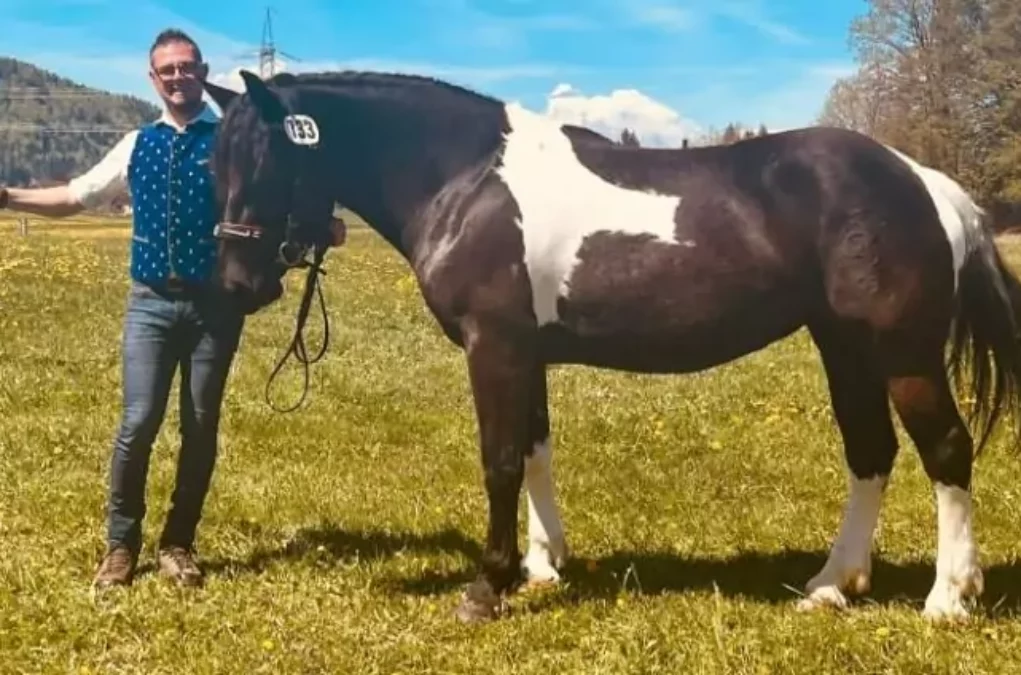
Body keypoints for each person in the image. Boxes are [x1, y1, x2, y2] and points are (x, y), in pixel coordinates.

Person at [0, 28, 244, 590]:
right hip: (150, 307)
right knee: (137, 425)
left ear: (203, 72)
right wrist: (8, 196)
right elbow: (75, 196)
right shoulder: (137, 144)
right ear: (153, 79)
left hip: (214, 310)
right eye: (168, 70)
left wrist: (318, 230)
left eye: (187, 67)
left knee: (201, 428)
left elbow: (274, 201)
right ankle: (121, 546)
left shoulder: (233, 140)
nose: (178, 77)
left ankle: (178, 544)